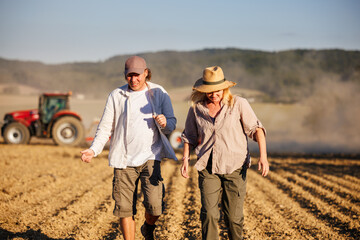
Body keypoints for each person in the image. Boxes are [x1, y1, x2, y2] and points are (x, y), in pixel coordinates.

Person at [80, 56, 177, 240]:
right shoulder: (116, 95)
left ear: (146, 73)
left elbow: (171, 123)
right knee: (125, 209)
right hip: (123, 160)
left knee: (155, 206)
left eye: (137, 75)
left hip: (151, 157)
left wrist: (165, 123)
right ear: (125, 75)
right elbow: (105, 127)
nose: (133, 79)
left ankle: (148, 227)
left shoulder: (159, 92)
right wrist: (94, 150)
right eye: (129, 76)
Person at [180, 66, 269, 240]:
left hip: (235, 167)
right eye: (210, 91)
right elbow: (189, 136)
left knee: (233, 218)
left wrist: (263, 157)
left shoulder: (238, 104)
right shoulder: (197, 109)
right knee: (209, 214)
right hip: (207, 167)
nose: (214, 94)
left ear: (225, 88)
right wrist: (185, 159)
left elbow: (257, 130)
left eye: (217, 90)